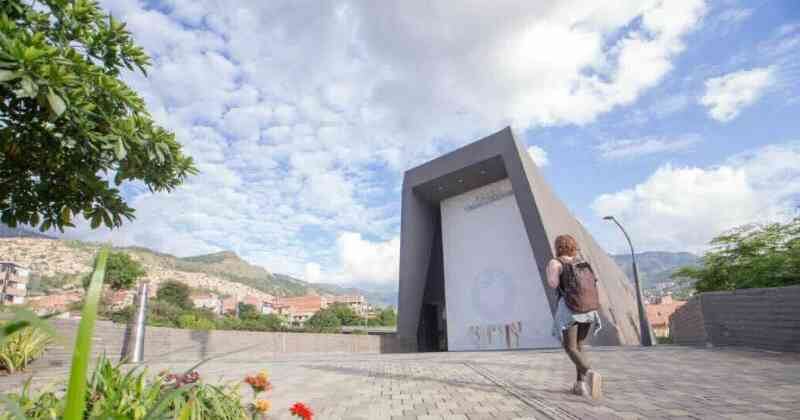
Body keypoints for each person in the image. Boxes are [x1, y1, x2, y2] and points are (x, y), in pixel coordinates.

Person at [546, 234, 603, 399]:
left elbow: (553, 284)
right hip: (589, 310)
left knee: (570, 347)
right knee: (579, 346)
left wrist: (549, 271)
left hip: (570, 309)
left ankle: (589, 373)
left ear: (557, 247)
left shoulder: (555, 262)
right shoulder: (582, 262)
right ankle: (580, 385)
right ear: (573, 246)